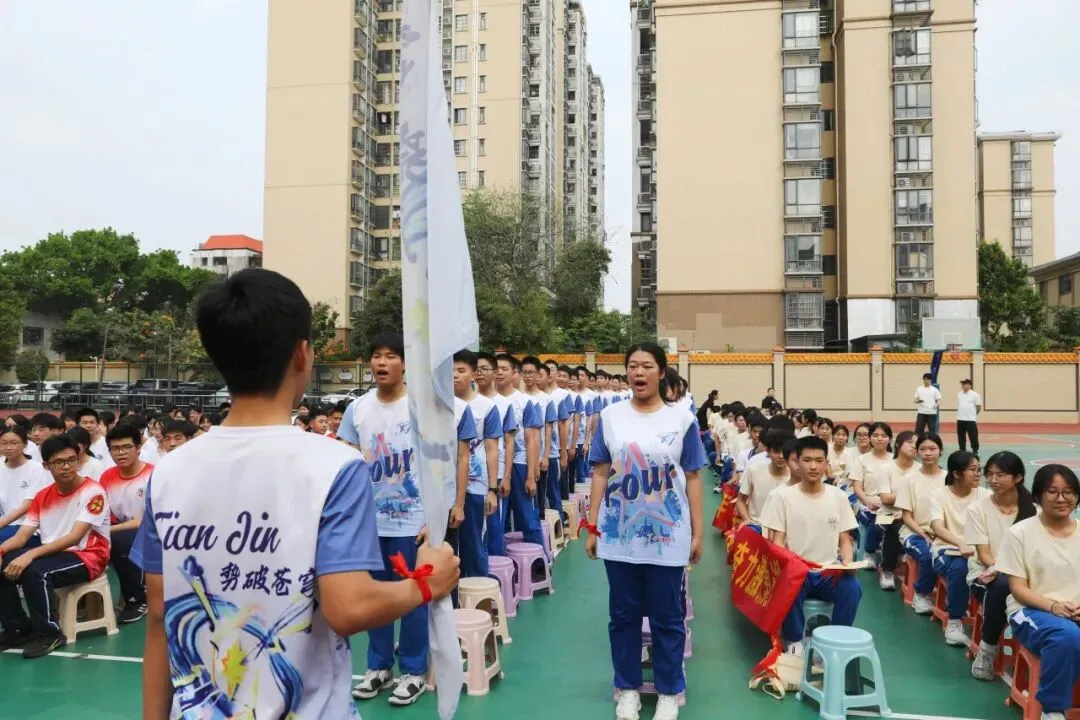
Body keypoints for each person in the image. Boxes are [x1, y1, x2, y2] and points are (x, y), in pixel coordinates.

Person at [131, 269, 458, 719]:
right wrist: (426, 583)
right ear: (302, 354)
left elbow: (158, 616)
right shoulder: (334, 467)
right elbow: (347, 607)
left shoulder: (168, 472)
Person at [339, 331, 468, 706]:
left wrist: (437, 515)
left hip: (413, 521)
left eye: (390, 356)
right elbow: (346, 462)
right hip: (369, 522)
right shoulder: (357, 409)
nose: (381, 363)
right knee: (375, 595)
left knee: (413, 596)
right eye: (376, 356)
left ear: (405, 364)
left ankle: (412, 670)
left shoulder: (421, 409)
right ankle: (378, 666)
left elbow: (442, 463)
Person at [584, 342, 706, 720]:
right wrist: (592, 525)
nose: (639, 372)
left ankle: (669, 691)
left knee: (667, 617)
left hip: (669, 537)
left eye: (647, 366)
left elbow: (693, 477)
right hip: (619, 535)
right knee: (623, 616)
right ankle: (628, 688)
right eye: (633, 366)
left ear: (661, 372)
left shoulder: (682, 420)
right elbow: (600, 471)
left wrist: (697, 532)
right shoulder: (610, 417)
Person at [0, 434, 111, 658]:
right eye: (59, 462)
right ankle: (17, 627)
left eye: (71, 460)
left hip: (88, 556)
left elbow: (74, 537)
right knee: (4, 563)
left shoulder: (93, 492)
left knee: (35, 572)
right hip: (54, 553)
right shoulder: (43, 496)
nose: (66, 466)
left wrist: (30, 555)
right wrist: (1, 550)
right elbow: (22, 536)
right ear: (46, 466)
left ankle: (50, 633)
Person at [761, 435, 861, 657]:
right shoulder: (782, 497)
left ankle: (835, 641)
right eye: (807, 460)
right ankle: (794, 640)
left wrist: (847, 561)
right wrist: (792, 564)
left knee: (852, 588)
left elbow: (845, 539)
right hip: (798, 570)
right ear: (797, 463)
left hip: (828, 570)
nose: (813, 466)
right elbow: (777, 541)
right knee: (790, 582)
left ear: (827, 464)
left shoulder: (838, 497)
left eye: (819, 460)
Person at [995, 464, 1080, 720]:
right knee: (1066, 636)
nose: (1061, 498)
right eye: (1052, 491)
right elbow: (1018, 588)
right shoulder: (1020, 533)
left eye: (1068, 492)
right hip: (1032, 611)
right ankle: (1052, 710)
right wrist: (1054, 607)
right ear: (1038, 496)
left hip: (1075, 609)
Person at [966, 450, 1037, 680]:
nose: (993, 479)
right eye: (989, 474)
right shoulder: (977, 509)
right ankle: (987, 650)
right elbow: (984, 554)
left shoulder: (1034, 510)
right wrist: (1002, 569)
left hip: (1026, 578)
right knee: (1001, 584)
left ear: (1018, 477)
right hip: (985, 574)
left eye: (1000, 475)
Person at [928, 451, 989, 646]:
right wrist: (960, 543)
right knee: (961, 567)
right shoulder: (940, 495)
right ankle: (954, 621)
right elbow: (938, 527)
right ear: (956, 473)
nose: (978, 474)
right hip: (945, 550)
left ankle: (989, 625)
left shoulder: (985, 495)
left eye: (979, 469)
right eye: (973, 469)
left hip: (979, 552)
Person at [99, 422, 154, 623]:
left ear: (138, 448)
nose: (120, 453)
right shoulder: (107, 476)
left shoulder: (153, 475)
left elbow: (148, 520)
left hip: (152, 531)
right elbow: (103, 512)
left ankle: (137, 599)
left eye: (126, 447)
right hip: (118, 528)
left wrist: (109, 530)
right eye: (115, 448)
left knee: (120, 541)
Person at [453, 350, 501, 577]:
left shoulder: (487, 407)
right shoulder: (440, 405)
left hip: (475, 485)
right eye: (450, 371)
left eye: (461, 370)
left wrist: (492, 489)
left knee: (473, 544)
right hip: (446, 486)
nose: (454, 375)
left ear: (473, 374)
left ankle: (477, 590)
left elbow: (492, 449)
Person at [495, 353, 546, 550]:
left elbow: (532, 439)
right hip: (496, 465)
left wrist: (531, 475)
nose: (499, 372)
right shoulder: (488, 401)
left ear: (514, 373)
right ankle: (505, 561)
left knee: (527, 516)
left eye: (504, 369)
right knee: (499, 520)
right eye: (496, 369)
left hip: (520, 463)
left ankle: (540, 561)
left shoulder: (524, 402)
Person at [895, 432, 948, 614]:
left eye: (932, 448)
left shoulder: (949, 479)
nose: (928, 453)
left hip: (944, 534)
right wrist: (924, 534)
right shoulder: (908, 480)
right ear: (917, 452)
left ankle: (951, 595)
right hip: (914, 533)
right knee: (928, 554)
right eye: (923, 449)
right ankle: (921, 594)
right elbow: (907, 516)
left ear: (941, 451)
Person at [476, 351, 514, 558]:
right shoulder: (462, 402)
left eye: (484, 369)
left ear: (493, 372)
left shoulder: (504, 404)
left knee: (493, 527)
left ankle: (497, 569)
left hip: (495, 474)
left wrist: (506, 476)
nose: (480, 373)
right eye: (476, 369)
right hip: (470, 476)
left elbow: (509, 442)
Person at [0, 425, 51, 545]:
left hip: (26, 526)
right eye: (4, 443)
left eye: (14, 443)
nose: (8, 447)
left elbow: (28, 505)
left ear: (25, 444)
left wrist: (2, 523)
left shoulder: (36, 469)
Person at [956, 378, 982, 457]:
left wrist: (974, 415)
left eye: (965, 384)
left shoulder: (975, 394)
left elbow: (978, 407)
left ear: (970, 385)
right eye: (962, 384)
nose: (963, 386)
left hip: (970, 419)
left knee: (973, 436)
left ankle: (975, 450)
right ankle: (962, 449)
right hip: (960, 419)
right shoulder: (959, 394)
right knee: (961, 436)